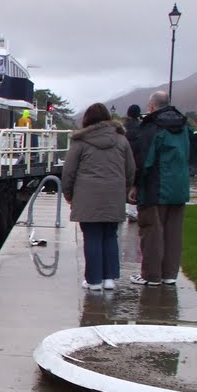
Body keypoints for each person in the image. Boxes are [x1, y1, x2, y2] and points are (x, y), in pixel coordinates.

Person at [61, 102, 136, 291]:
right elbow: (130, 170)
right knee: (110, 235)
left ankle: (93, 280)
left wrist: (69, 194)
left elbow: (69, 172)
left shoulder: (79, 142)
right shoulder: (121, 141)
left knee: (92, 236)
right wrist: (123, 190)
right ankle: (109, 278)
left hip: (87, 196)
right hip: (114, 195)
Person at [128, 90, 193, 286]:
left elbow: (143, 161)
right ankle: (169, 274)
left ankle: (151, 275)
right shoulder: (184, 127)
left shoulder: (151, 128)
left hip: (155, 187)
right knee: (174, 233)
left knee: (152, 231)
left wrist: (135, 185)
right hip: (179, 187)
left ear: (151, 107)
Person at [123, 104, 142, 221]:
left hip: (123, 159)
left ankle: (120, 210)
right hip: (137, 159)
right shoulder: (142, 128)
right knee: (134, 185)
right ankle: (132, 211)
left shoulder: (122, 128)